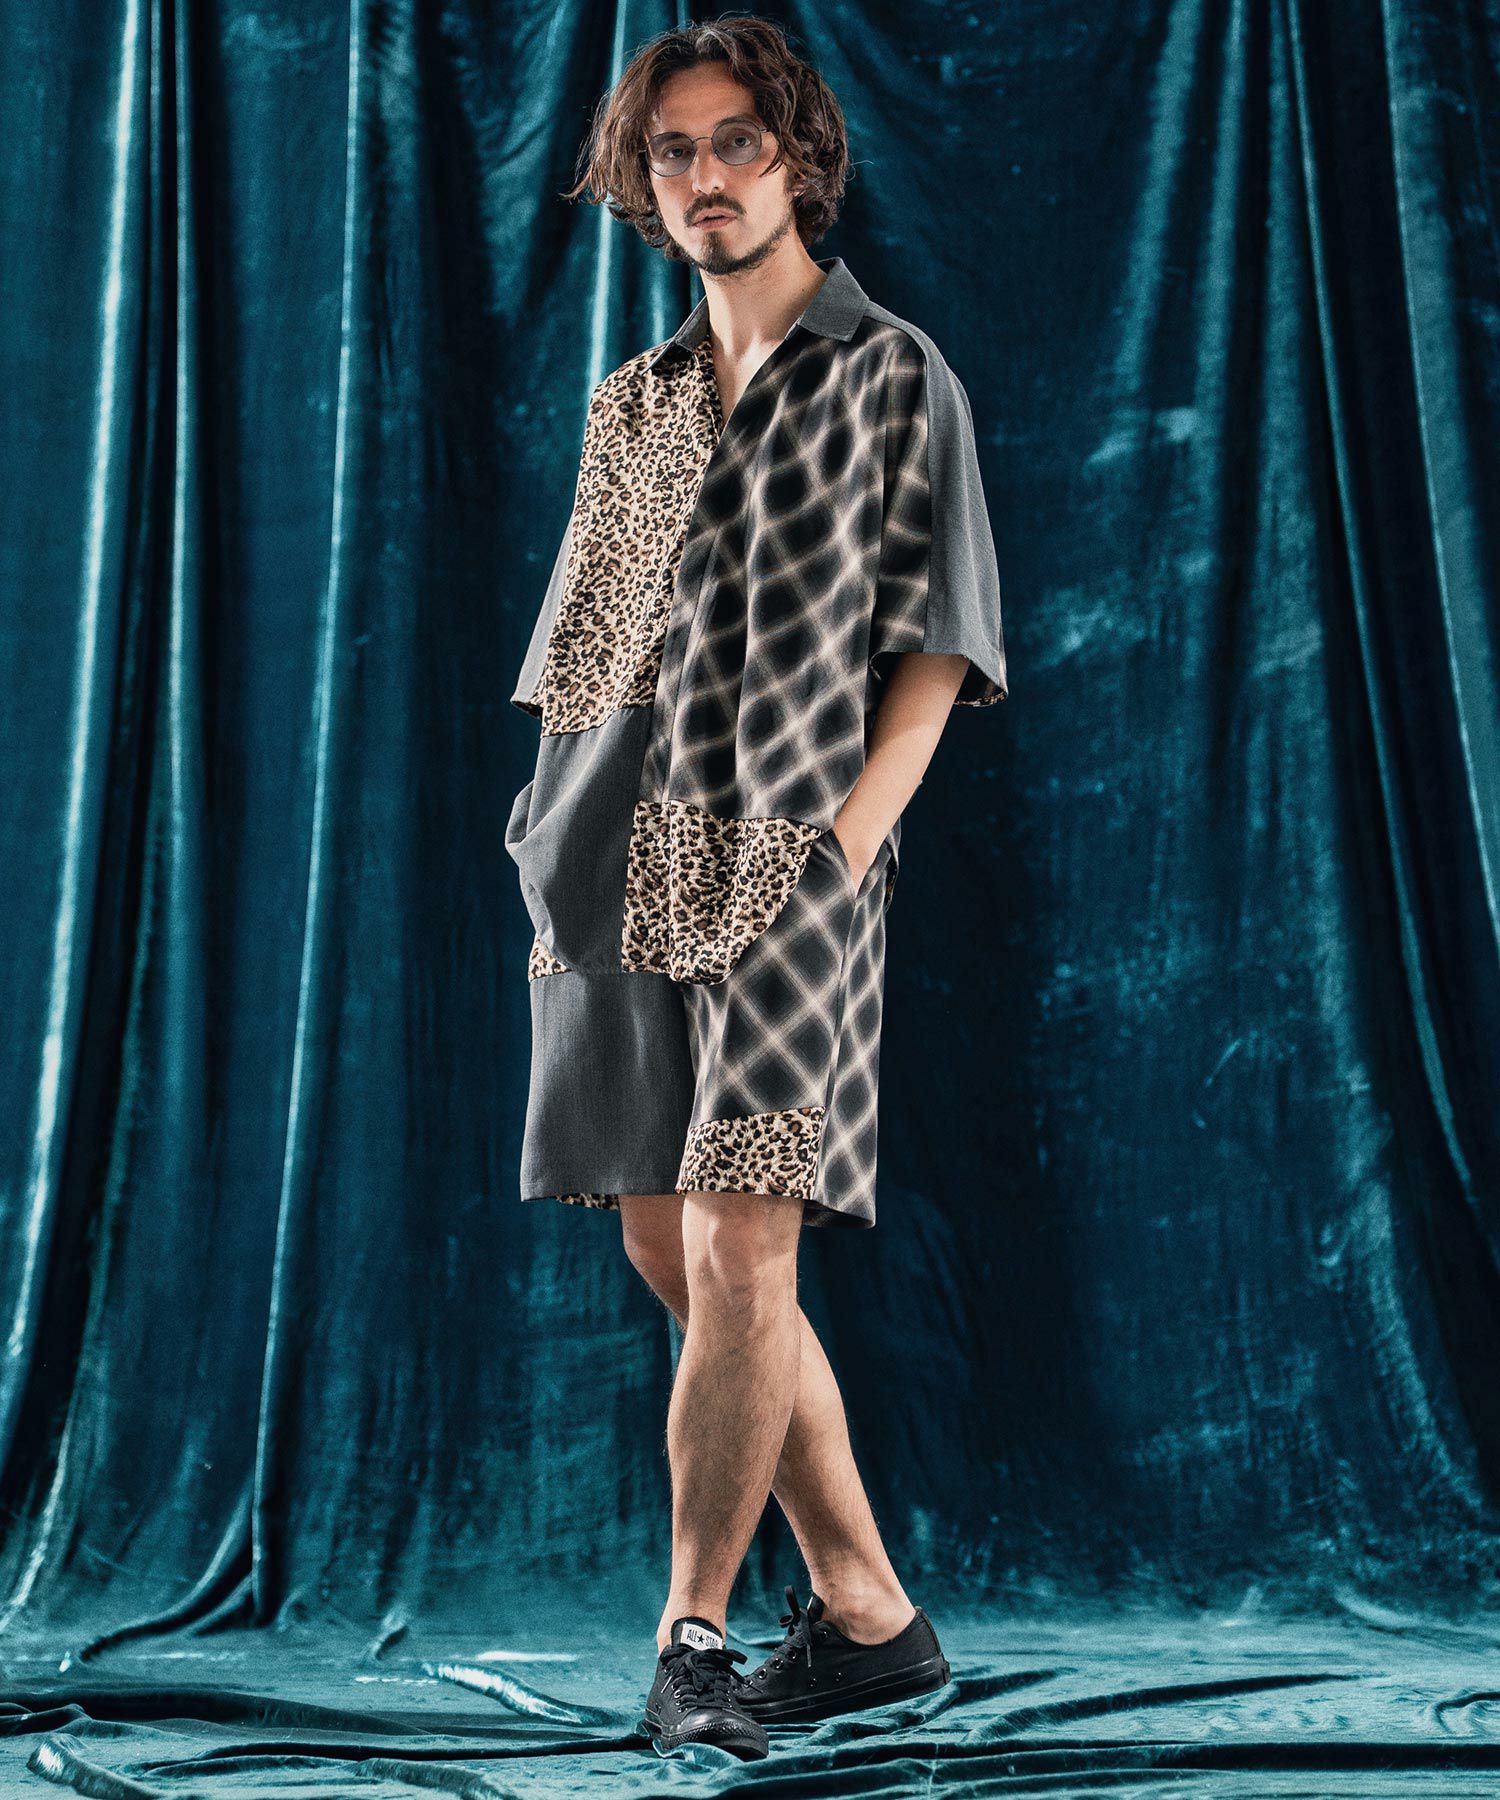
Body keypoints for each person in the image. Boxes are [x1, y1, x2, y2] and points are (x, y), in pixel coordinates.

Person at [505, 14, 1008, 1763]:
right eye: (673, 152)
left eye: (735, 142)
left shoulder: (893, 377)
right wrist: (541, 842)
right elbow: (583, 659)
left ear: (797, 158)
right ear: (644, 185)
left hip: (790, 868)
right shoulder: (635, 406)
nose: (705, 176)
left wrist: (846, 849)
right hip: (605, 867)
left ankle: (693, 1641)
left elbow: (936, 652)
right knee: (671, 1246)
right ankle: (869, 1615)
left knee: (743, 1241)